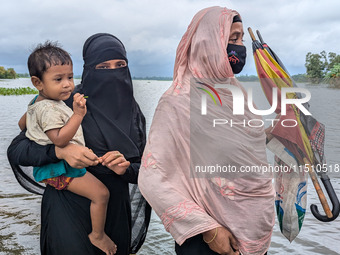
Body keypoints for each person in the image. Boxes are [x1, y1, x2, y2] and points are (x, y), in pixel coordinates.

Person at [138, 6, 274, 255]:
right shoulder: (177, 102)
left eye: (241, 38)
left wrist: (282, 134)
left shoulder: (238, 95)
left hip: (253, 235)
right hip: (209, 242)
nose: (240, 46)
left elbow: (243, 148)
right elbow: (152, 177)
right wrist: (209, 230)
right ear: (209, 42)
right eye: (232, 39)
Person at [7, 33, 150, 255]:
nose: (113, 72)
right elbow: (17, 150)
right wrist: (60, 151)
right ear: (90, 68)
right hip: (67, 206)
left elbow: (149, 168)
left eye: (120, 65)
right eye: (103, 66)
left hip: (114, 210)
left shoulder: (133, 113)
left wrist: (127, 169)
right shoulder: (64, 101)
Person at [18, 41, 119, 255]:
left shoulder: (37, 102)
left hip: (52, 169)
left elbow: (21, 125)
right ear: (38, 82)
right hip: (60, 169)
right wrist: (78, 115)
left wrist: (34, 125)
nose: (67, 85)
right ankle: (97, 235)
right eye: (58, 79)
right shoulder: (49, 109)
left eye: (70, 77)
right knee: (101, 194)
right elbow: (60, 140)